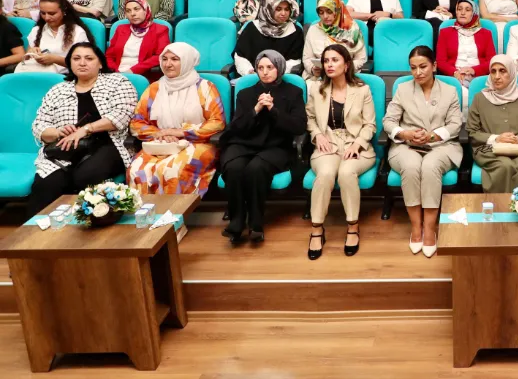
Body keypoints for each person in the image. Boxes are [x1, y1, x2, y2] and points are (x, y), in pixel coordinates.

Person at [26, 43, 137, 217]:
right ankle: (37, 230)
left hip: (109, 144)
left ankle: (80, 224)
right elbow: (39, 125)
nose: (82, 63)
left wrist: (86, 129)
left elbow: (122, 115)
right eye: (76, 58)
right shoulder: (58, 90)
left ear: (100, 63)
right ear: (70, 63)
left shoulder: (118, 83)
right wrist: (57, 132)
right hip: (66, 148)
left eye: (89, 58)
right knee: (47, 183)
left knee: (85, 177)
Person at [220, 50, 307, 243]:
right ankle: (237, 221)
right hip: (244, 143)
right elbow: (237, 127)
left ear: (280, 68)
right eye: (260, 68)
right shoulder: (245, 93)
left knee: (255, 169)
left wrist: (273, 110)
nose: (265, 72)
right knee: (234, 167)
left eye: (270, 67)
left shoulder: (293, 92)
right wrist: (256, 109)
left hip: (276, 145)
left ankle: (256, 223)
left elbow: (298, 126)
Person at [384, 46, 463, 258]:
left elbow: (455, 124)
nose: (418, 72)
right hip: (406, 145)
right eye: (413, 68)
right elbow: (389, 121)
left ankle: (429, 229)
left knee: (429, 166)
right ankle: (416, 227)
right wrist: (405, 133)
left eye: (423, 66)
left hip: (441, 146)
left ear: (434, 66)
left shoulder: (449, 90)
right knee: (411, 166)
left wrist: (433, 136)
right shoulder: (403, 89)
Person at [305, 44, 377, 258]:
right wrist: (317, 135)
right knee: (326, 173)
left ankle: (353, 227)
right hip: (327, 143)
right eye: (326, 61)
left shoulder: (362, 90)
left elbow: (370, 125)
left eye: (334, 60)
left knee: (346, 173)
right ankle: (317, 229)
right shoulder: (316, 89)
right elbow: (309, 118)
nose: (329, 64)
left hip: (356, 145)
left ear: (346, 65)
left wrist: (358, 144)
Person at [127, 43, 225, 196]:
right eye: (164, 59)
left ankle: (172, 211)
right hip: (160, 142)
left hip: (197, 143)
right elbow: (136, 122)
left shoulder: (205, 87)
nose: (168, 64)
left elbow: (217, 122)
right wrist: (160, 134)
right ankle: (144, 211)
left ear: (187, 61)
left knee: (171, 170)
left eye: (174, 59)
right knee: (137, 170)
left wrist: (181, 133)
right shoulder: (154, 88)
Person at [466, 54, 518, 192]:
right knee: (505, 166)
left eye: (502, 71)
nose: (497, 76)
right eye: (493, 71)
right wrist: (496, 138)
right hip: (489, 149)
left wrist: (517, 140)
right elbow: (472, 131)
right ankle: (502, 205)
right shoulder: (480, 98)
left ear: (512, 73)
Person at [16, 0, 92, 74]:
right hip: (37, 73)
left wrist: (56, 59)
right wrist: (32, 52)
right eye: (43, 13)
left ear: (64, 11)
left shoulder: (77, 32)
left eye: (52, 13)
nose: (47, 18)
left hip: (66, 76)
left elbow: (84, 63)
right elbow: (26, 59)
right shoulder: (36, 30)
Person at [234, 0, 303, 77]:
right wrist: (249, 72)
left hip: (282, 77)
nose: (283, 13)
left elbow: (295, 60)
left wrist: (273, 73)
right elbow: (240, 57)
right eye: (278, 9)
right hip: (253, 77)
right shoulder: (252, 28)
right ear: (268, 8)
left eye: (286, 9)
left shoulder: (295, 31)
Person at [436, 0, 496, 97]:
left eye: (467, 10)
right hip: (455, 77)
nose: (462, 13)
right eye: (459, 9)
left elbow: (492, 61)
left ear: (474, 13)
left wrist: (474, 70)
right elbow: (441, 61)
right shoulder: (445, 33)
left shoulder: (486, 34)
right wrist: (455, 72)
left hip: (478, 76)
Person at [304, 0, 367, 78]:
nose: (325, 16)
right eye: (321, 12)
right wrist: (312, 69)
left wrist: (344, 68)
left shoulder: (352, 30)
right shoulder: (313, 29)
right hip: (320, 77)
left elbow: (361, 59)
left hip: (346, 76)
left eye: (329, 11)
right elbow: (307, 58)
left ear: (338, 10)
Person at [107, 0, 170, 80]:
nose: (132, 14)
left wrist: (133, 71)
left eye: (136, 9)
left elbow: (160, 55)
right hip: (116, 75)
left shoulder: (160, 30)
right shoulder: (120, 29)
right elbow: (109, 56)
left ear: (145, 10)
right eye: (128, 11)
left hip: (143, 75)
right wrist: (116, 71)